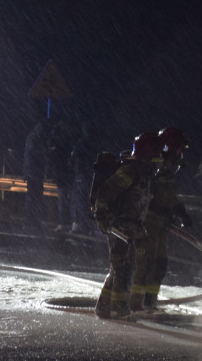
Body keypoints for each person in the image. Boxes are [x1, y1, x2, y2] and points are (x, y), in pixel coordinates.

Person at [92, 132, 162, 319]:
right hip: (119, 227)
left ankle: (105, 307)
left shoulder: (144, 175)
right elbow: (106, 191)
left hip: (131, 228)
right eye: (156, 158)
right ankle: (118, 310)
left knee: (121, 268)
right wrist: (102, 216)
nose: (158, 163)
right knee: (122, 268)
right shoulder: (130, 172)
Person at [129, 127, 192, 312]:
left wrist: (179, 211)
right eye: (179, 148)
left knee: (159, 266)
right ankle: (136, 303)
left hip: (160, 224)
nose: (181, 153)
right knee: (144, 265)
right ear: (171, 147)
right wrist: (169, 209)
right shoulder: (155, 166)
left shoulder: (165, 167)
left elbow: (168, 194)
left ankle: (150, 301)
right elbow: (152, 194)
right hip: (148, 223)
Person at [69, 122, 98, 234]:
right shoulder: (93, 144)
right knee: (88, 201)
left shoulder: (81, 143)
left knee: (79, 201)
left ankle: (80, 225)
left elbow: (73, 158)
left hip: (81, 175)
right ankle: (88, 226)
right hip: (90, 175)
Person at [22, 120, 50, 233]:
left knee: (34, 198)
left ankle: (32, 222)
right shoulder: (34, 139)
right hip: (34, 173)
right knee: (33, 198)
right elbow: (32, 155)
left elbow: (30, 156)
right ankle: (30, 222)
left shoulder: (34, 138)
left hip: (34, 173)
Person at [47, 119, 75, 232]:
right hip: (67, 174)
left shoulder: (56, 141)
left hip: (61, 174)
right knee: (70, 199)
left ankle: (63, 222)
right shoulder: (68, 141)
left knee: (63, 199)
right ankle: (70, 222)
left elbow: (52, 156)